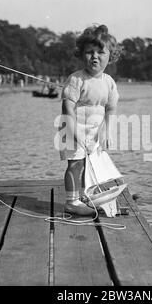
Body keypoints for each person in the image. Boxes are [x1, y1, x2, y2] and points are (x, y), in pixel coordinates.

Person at [57, 25, 122, 216]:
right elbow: (67, 106)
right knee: (75, 164)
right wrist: (74, 132)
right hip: (72, 128)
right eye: (89, 52)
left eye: (100, 52)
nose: (94, 56)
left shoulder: (109, 82)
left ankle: (84, 196)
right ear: (81, 54)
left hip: (94, 132)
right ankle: (71, 202)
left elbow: (111, 108)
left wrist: (106, 130)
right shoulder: (77, 79)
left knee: (89, 164)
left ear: (110, 56)